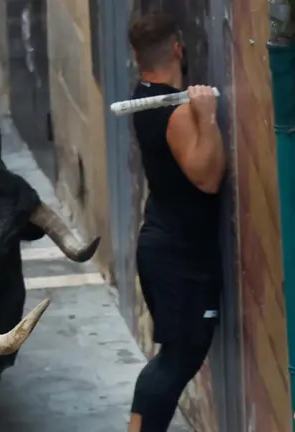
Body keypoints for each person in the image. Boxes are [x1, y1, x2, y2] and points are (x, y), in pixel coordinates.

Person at [126, 11, 227, 432]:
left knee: (178, 354)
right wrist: (206, 116)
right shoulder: (179, 113)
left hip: (168, 246)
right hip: (179, 255)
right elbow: (207, 178)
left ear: (136, 57)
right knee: (178, 358)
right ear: (177, 48)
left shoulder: (146, 94)